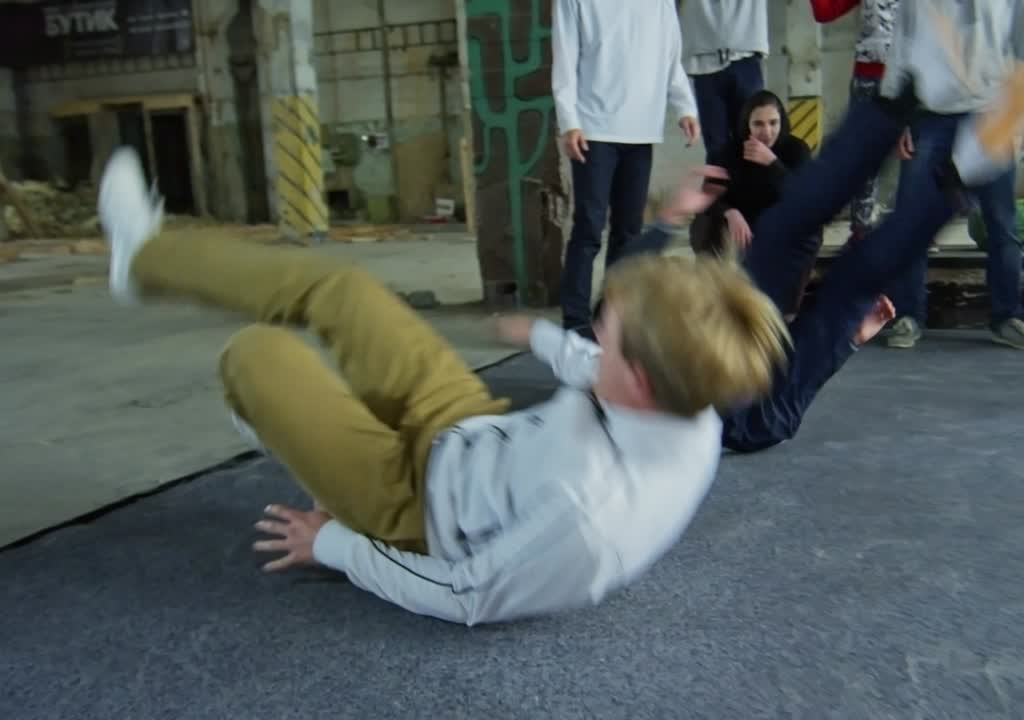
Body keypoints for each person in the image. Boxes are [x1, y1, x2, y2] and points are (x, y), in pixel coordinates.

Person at [95, 146, 787, 625]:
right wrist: (541, 339)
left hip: (413, 513)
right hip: (470, 427)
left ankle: (279, 423)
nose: (594, 334)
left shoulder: (590, 518)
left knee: (256, 358)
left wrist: (334, 547)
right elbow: (594, 370)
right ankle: (145, 259)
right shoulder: (687, 397)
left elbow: (465, 595)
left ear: (638, 378)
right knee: (346, 291)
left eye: (611, 330)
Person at [626, 48, 1024, 450]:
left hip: (738, 377)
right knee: (850, 277)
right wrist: (848, 339)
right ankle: (931, 141)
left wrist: (669, 221)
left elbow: (623, 300)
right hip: (752, 409)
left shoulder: (634, 388)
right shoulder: (725, 427)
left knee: (794, 238)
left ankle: (900, 108)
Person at [878, 0, 1024, 352]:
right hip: (930, 116)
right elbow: (901, 49)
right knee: (912, 222)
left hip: (991, 116)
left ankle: (1008, 318)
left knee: (1002, 222)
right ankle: (907, 316)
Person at [552, 0, 700, 337]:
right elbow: (565, 61)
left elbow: (670, 61)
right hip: (593, 129)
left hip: (640, 130)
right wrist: (569, 122)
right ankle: (575, 322)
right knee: (589, 226)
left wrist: (685, 108)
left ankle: (613, 316)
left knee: (628, 232)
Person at [809, 0, 901, 241]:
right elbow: (825, 11)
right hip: (870, 74)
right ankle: (862, 229)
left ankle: (916, 229)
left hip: (912, 76)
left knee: (918, 153)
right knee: (864, 154)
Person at [690, 90, 813, 256]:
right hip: (740, 228)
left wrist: (772, 163)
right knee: (704, 222)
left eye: (773, 123)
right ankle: (715, 274)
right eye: (758, 124)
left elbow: (803, 197)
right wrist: (730, 212)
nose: (767, 132)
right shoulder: (730, 151)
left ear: (781, 122)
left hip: (780, 226)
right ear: (747, 124)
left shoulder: (796, 149)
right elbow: (709, 195)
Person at [678, 0, 770, 162]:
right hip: (704, 60)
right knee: (717, 150)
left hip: (744, 54)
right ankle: (723, 186)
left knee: (754, 142)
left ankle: (753, 186)